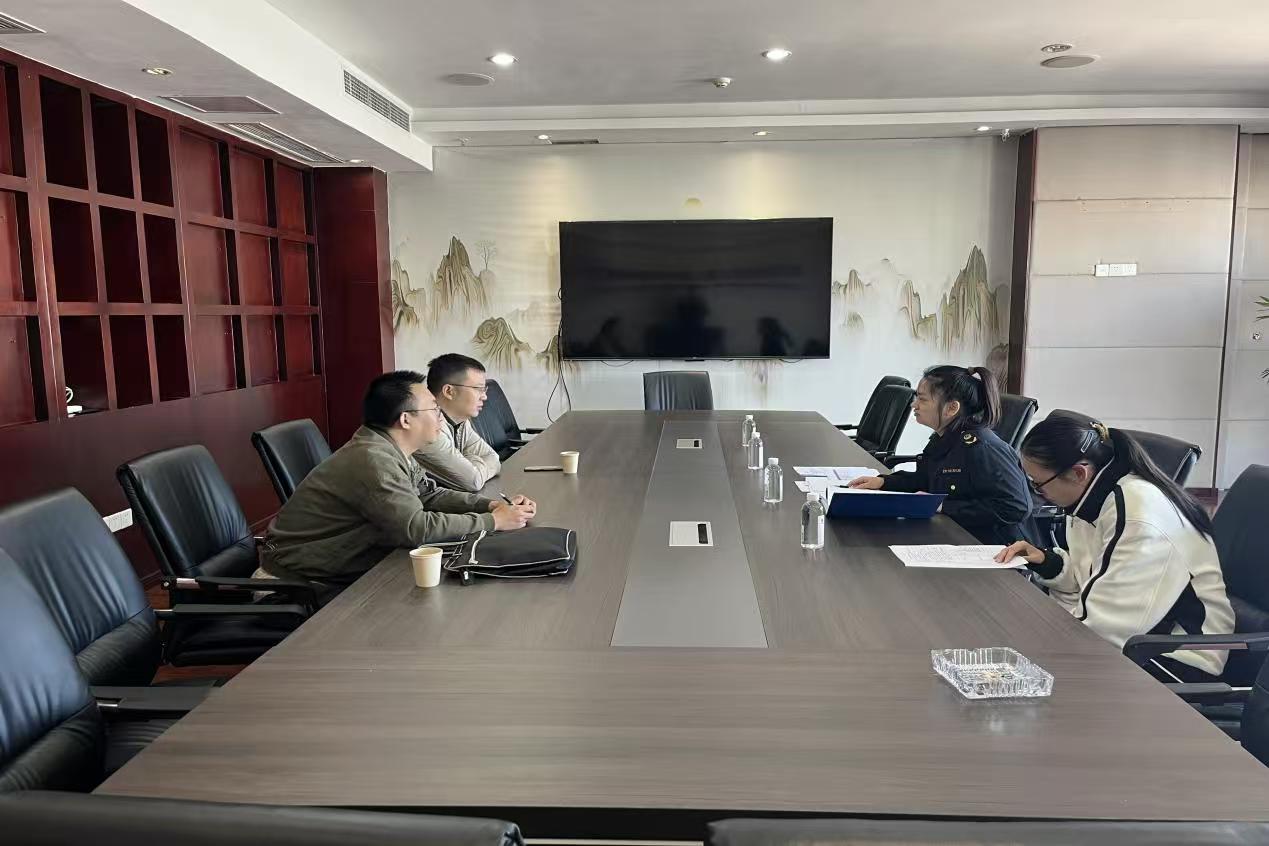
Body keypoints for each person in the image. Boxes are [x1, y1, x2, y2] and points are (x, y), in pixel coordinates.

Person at [995, 413, 1234, 682]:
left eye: (1037, 484)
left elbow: (1104, 631)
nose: (1036, 493)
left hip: (1177, 659)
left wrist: (1024, 637)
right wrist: (1048, 563)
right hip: (1131, 640)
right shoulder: (1093, 497)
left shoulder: (1137, 516)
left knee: (1020, 678)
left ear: (1078, 473)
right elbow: (1094, 578)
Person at [258, 370, 535, 600]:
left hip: (337, 571)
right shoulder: (373, 459)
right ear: (405, 419)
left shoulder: (390, 448)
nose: (441, 416)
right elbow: (416, 528)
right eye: (434, 408)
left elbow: (429, 495)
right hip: (297, 586)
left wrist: (491, 505)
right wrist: (493, 522)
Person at [847, 365, 1035, 545]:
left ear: (951, 408)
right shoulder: (945, 437)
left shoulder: (982, 447)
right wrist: (883, 482)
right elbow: (925, 479)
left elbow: (1017, 506)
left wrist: (944, 506)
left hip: (993, 548)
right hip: (954, 533)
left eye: (922, 399)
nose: (914, 405)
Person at [413, 353, 501, 492]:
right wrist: (472, 461)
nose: (484, 397)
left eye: (484, 390)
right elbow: (473, 481)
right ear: (449, 391)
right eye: (478, 389)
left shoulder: (460, 421)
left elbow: (494, 458)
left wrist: (470, 463)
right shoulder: (427, 428)